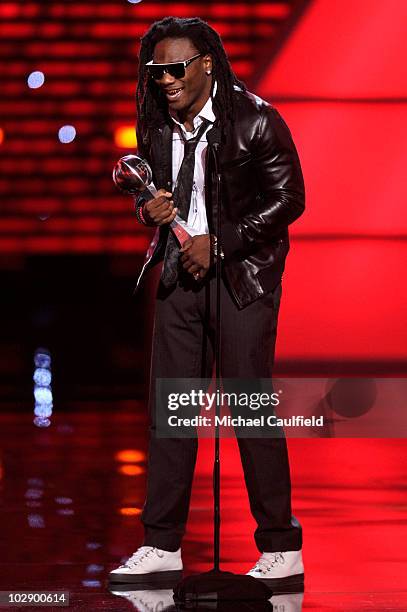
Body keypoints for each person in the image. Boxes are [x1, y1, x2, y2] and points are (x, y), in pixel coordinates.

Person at [110, 17, 305, 592]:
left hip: (241, 277)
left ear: (207, 65)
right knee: (171, 412)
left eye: (175, 69)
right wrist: (148, 212)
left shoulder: (256, 120)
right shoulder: (155, 122)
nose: (164, 80)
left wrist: (219, 245)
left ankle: (280, 548)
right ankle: (160, 543)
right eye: (156, 71)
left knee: (247, 407)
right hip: (179, 277)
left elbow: (290, 198)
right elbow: (155, 197)